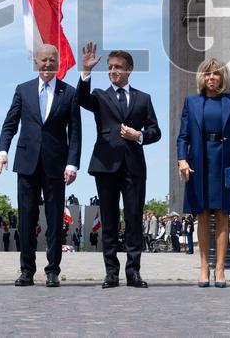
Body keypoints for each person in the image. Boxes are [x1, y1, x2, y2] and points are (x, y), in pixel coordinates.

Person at [0, 44, 81, 288]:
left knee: (54, 220)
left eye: (52, 60)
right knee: (26, 218)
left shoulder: (70, 93)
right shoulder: (23, 90)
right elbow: (9, 124)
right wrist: (3, 151)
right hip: (26, 164)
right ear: (36, 62)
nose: (47, 64)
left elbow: (75, 133)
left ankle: (53, 270)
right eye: (43, 60)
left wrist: (72, 164)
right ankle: (26, 270)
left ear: (58, 62)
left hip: (56, 166)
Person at [78, 43, 161, 289]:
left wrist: (139, 135)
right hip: (106, 165)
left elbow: (156, 131)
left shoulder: (143, 99)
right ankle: (111, 273)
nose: (113, 71)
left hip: (134, 167)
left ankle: (133, 272)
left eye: (119, 68)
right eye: (110, 68)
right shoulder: (99, 97)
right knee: (110, 220)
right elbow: (81, 99)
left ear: (130, 70)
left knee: (134, 218)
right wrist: (85, 72)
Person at [177, 58, 230, 287]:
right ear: (202, 78)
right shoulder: (192, 102)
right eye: (207, 74)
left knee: (223, 214)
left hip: (224, 162)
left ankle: (220, 269)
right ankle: (204, 267)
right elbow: (183, 136)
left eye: (216, 74)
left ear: (222, 77)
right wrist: (182, 160)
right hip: (199, 162)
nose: (211, 78)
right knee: (203, 214)